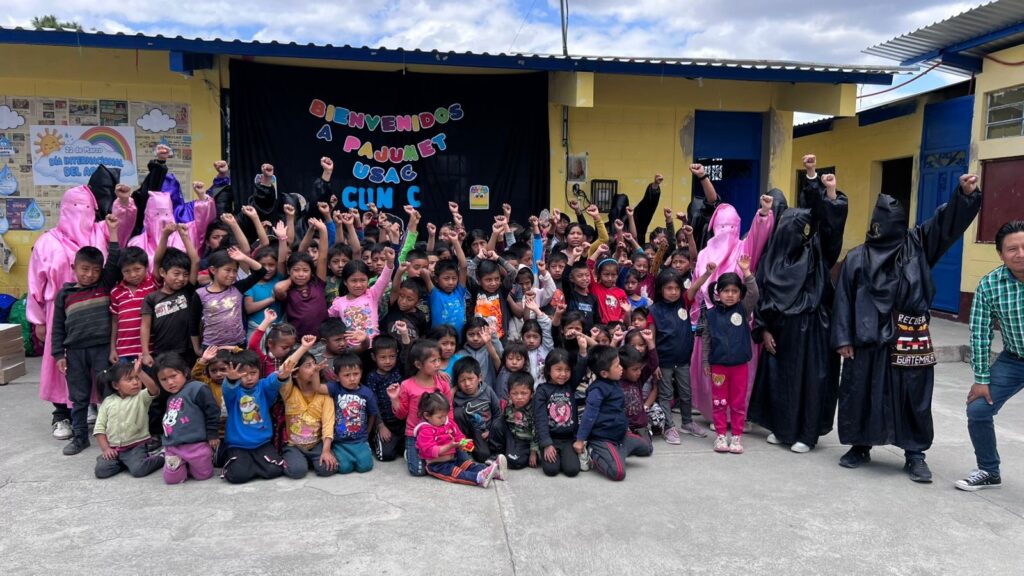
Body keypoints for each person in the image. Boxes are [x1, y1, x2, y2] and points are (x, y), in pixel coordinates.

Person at [831, 174, 981, 483]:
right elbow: (843, 300)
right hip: (868, 338)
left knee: (913, 395)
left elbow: (946, 224)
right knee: (862, 391)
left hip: (910, 335)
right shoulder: (857, 257)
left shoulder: (918, 246)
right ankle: (860, 445)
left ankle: (915, 453)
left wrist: (965, 195)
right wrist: (843, 338)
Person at [748, 157, 849, 453]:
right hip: (781, 331)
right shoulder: (773, 259)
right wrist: (764, 329)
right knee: (781, 381)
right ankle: (782, 429)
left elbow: (829, 228)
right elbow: (763, 294)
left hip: (811, 331)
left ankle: (806, 434)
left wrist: (823, 186)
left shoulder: (816, 255)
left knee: (809, 382)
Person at [27, 181, 134, 440]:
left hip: (97, 311)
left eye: (86, 208)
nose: (80, 213)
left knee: (98, 365)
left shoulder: (100, 231)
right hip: (60, 312)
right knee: (62, 366)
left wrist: (123, 203)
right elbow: (35, 282)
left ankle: (94, 407)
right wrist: (38, 320)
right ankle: (61, 414)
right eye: (74, 207)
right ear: (63, 209)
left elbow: (122, 226)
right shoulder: (47, 241)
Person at [958, 220, 1024, 491]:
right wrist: (981, 379)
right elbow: (979, 334)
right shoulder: (990, 285)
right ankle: (989, 470)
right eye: (1012, 249)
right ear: (1001, 254)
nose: (1020, 253)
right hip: (1014, 359)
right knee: (978, 409)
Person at [51, 216, 123, 455]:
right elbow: (57, 327)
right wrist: (58, 354)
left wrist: (113, 231)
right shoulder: (65, 295)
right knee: (79, 396)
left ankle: (113, 436)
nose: (90, 274)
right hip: (75, 352)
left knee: (107, 393)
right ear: (74, 267)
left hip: (102, 349)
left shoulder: (103, 285)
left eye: (95, 270)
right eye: (85, 269)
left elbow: (114, 259)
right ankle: (80, 436)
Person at [649, 265, 715, 445]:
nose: (674, 292)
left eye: (677, 288)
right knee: (666, 395)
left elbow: (695, 287)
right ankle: (669, 426)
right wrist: (654, 364)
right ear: (660, 289)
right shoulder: (654, 310)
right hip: (663, 362)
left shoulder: (684, 302)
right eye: (669, 288)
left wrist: (708, 273)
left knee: (686, 393)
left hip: (683, 360)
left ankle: (687, 422)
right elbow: (651, 339)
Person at [702, 258, 759, 454]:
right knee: (719, 402)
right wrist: (705, 362)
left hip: (739, 366)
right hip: (718, 367)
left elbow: (754, 293)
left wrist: (747, 272)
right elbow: (706, 340)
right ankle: (720, 435)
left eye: (735, 291)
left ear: (740, 294)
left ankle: (736, 436)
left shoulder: (743, 309)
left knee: (738, 403)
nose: (730, 295)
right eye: (726, 291)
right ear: (718, 292)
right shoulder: (710, 314)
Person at [575, 345, 653, 481]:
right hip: (603, 438)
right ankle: (594, 451)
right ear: (604, 373)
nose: (621, 368)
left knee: (647, 449)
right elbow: (588, 416)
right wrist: (580, 441)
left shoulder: (615, 380)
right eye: (617, 366)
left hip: (620, 435)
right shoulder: (597, 390)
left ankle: (618, 452)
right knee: (618, 473)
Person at [221, 350, 292, 484]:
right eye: (243, 374)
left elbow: (275, 380)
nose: (249, 378)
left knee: (274, 470)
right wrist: (231, 379)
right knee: (238, 476)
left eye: (253, 373)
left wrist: (282, 376)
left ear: (259, 372)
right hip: (238, 445)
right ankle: (247, 464)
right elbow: (228, 388)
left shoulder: (263, 387)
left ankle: (251, 465)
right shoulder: (234, 392)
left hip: (262, 443)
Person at [388, 340, 454, 476]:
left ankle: (430, 456)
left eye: (439, 360)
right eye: (433, 361)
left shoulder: (443, 384)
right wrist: (395, 399)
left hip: (439, 433)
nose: (438, 364)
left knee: (452, 460)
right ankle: (410, 452)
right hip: (415, 434)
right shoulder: (407, 385)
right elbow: (401, 415)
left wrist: (450, 430)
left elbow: (449, 410)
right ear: (418, 364)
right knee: (418, 471)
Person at [414, 392, 506, 487]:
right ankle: (479, 478)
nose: (443, 419)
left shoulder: (448, 423)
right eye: (440, 417)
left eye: (445, 416)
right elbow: (431, 450)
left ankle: (495, 471)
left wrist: (464, 443)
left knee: (469, 465)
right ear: (427, 415)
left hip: (454, 458)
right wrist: (450, 446)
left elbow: (459, 435)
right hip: (438, 465)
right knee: (457, 473)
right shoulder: (425, 431)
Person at [92, 359, 165, 479]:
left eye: (137, 378)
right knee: (101, 471)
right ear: (116, 385)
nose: (135, 382)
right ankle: (126, 462)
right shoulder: (107, 402)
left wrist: (141, 372)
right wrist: (106, 449)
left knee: (138, 470)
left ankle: (162, 456)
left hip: (136, 447)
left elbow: (155, 390)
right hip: (114, 448)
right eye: (129, 379)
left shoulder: (141, 397)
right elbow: (99, 428)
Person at [156, 353, 221, 484]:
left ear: (185, 372)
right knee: (172, 480)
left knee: (203, 475)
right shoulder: (170, 397)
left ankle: (196, 461)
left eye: (173, 376)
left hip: (197, 445)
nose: (170, 382)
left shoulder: (197, 388)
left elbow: (212, 412)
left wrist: (212, 435)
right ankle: (175, 460)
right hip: (173, 446)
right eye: (163, 379)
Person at [278, 336, 337, 478]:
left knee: (327, 469)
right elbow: (284, 369)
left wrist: (326, 451)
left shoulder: (324, 393)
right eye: (308, 366)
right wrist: (304, 347)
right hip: (294, 445)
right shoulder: (288, 391)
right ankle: (299, 460)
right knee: (297, 471)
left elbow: (328, 424)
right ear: (295, 373)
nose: (314, 368)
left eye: (314, 364)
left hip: (317, 444)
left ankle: (310, 460)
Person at [535, 347, 588, 477]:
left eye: (567, 370)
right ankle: (544, 450)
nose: (563, 374)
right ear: (548, 370)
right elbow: (540, 419)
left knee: (572, 470)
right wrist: (546, 444)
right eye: (558, 369)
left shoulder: (570, 386)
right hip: (550, 438)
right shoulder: (542, 390)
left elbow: (581, 369)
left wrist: (582, 351)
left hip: (568, 439)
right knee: (551, 470)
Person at [198, 248, 265, 348]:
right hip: (211, 347)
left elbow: (261, 271)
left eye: (235, 271)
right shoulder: (200, 293)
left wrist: (244, 258)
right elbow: (194, 323)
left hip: (237, 345)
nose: (232, 275)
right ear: (213, 270)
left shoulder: (238, 288)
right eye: (228, 270)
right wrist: (197, 348)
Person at [325, 353, 379, 474]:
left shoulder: (367, 393)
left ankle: (363, 450)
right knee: (344, 468)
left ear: (361, 373)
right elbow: (317, 388)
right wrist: (314, 373)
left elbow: (373, 414)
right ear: (337, 377)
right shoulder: (335, 388)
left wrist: (367, 433)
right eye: (347, 375)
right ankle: (338, 452)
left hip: (360, 440)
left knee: (365, 466)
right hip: (340, 441)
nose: (352, 378)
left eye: (356, 374)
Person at [452, 357, 503, 463]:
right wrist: (452, 392)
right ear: (457, 383)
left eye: (470, 379)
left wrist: (491, 432)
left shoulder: (487, 391)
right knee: (457, 413)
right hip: (467, 434)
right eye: (462, 380)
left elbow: (498, 414)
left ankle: (483, 451)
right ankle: (465, 450)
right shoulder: (457, 398)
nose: (467, 384)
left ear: (479, 377)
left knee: (482, 456)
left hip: (485, 433)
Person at [365, 335, 406, 462]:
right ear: (374, 357)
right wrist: (380, 425)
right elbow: (372, 403)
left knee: (410, 448)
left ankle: (399, 443)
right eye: (383, 357)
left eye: (392, 356)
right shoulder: (372, 377)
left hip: (402, 422)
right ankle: (376, 438)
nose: (388, 361)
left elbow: (408, 354)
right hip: (385, 422)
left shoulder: (399, 370)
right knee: (386, 455)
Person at [503, 373, 539, 470]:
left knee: (515, 462)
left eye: (524, 393)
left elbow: (536, 432)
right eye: (514, 393)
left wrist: (533, 452)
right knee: (497, 424)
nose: (519, 397)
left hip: (526, 441)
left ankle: (517, 455)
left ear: (532, 394)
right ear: (509, 394)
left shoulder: (533, 410)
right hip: (512, 437)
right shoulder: (508, 406)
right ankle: (497, 453)